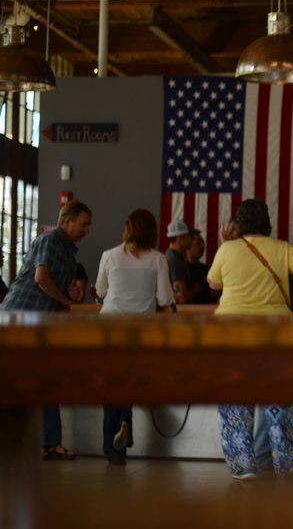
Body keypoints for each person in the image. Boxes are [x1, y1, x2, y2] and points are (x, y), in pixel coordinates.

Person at [207, 199, 293, 481]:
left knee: (234, 399)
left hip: (231, 332)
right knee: (280, 397)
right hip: (274, 332)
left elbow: (214, 283)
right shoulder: (281, 248)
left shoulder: (227, 249)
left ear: (238, 223)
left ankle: (244, 466)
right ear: (266, 221)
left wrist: (226, 245)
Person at [1, 199, 93, 460]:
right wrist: (64, 299)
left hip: (40, 320)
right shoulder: (50, 240)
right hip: (21, 315)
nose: (87, 230)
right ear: (67, 221)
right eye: (84, 224)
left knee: (45, 378)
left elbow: (59, 287)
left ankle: (50, 442)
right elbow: (41, 278)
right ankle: (43, 442)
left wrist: (69, 293)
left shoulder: (69, 252)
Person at [94, 209, 175, 465]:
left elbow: (101, 291)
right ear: (153, 232)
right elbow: (164, 298)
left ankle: (113, 449)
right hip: (140, 330)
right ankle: (125, 420)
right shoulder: (158, 259)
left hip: (109, 327)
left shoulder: (109, 255)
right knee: (128, 380)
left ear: (127, 228)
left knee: (112, 384)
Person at [164, 219, 196, 305]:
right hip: (177, 312)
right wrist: (197, 289)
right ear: (181, 238)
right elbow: (182, 297)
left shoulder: (173, 256)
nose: (193, 239)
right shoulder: (174, 260)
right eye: (190, 236)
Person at [185, 232, 210, 303]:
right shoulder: (182, 268)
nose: (202, 246)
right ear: (188, 245)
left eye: (203, 243)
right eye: (198, 243)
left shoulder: (204, 269)